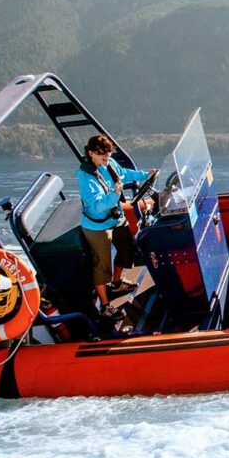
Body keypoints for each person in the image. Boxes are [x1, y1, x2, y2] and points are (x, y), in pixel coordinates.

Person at [76, 134, 153, 321]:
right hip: (97, 227)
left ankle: (117, 283)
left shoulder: (108, 164)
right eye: (102, 156)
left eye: (108, 155)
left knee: (127, 249)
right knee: (102, 265)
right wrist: (115, 193)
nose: (106, 159)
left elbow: (123, 174)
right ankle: (104, 306)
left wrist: (145, 175)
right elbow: (97, 205)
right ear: (91, 153)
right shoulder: (85, 178)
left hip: (115, 219)